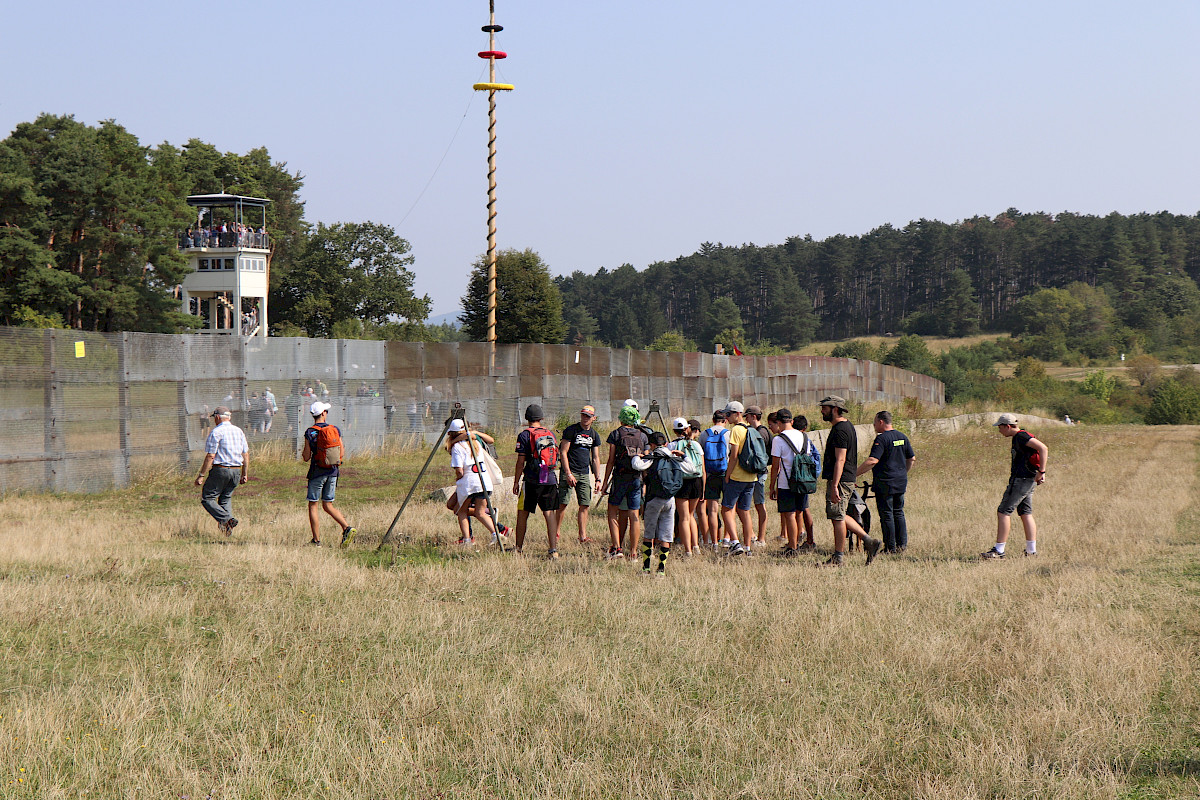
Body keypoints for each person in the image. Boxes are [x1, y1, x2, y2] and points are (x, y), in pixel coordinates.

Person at [816, 395, 883, 567]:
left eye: (825, 408)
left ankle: (838, 558)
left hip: (840, 479)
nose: (822, 411)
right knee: (839, 515)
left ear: (835, 409)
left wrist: (835, 485)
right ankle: (868, 541)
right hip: (843, 478)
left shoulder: (841, 430)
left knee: (838, 517)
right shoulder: (844, 427)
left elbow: (841, 459)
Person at [981, 413, 1048, 559]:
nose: (999, 431)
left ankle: (999, 551)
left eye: (1000, 427)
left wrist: (1042, 471)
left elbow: (1043, 448)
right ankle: (1031, 551)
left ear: (1008, 426)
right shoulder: (1020, 437)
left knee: (1003, 511)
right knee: (1025, 513)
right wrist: (1039, 472)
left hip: (1022, 480)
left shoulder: (1021, 437)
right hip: (1028, 479)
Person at [855, 411, 916, 554]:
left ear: (881, 422)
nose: (874, 426)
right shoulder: (902, 436)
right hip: (900, 481)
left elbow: (872, 461)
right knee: (898, 513)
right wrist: (902, 473)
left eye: (875, 423)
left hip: (885, 483)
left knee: (887, 514)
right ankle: (901, 545)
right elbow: (911, 458)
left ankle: (890, 548)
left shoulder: (881, 439)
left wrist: (854, 474)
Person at [301, 401, 356, 548]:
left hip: (317, 472)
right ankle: (347, 528)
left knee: (313, 505)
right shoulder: (335, 430)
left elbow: (306, 457)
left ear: (314, 415)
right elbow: (341, 452)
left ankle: (316, 541)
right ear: (323, 413)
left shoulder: (309, 432)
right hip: (333, 472)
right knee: (328, 504)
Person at [512, 404, 562, 558]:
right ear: (541, 418)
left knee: (522, 513)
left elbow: (521, 462)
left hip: (532, 479)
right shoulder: (550, 433)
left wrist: (516, 482)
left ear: (526, 418)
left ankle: (518, 548)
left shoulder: (524, 435)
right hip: (550, 478)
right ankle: (553, 550)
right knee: (549, 513)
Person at [630, 431, 683, 576]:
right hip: (670, 500)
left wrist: (638, 456)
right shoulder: (674, 458)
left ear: (652, 445)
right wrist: (682, 455)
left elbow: (636, 465)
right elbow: (690, 467)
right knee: (666, 536)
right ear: (665, 443)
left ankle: (646, 569)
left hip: (654, 499)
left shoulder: (652, 458)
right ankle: (661, 570)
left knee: (649, 534)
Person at [601, 405, 650, 560]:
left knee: (612, 512)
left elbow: (610, 461)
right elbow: (647, 460)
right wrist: (645, 482)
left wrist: (604, 484)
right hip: (636, 479)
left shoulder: (616, 434)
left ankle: (617, 548)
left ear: (621, 419)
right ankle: (634, 552)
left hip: (620, 477)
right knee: (634, 514)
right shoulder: (643, 436)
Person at [195, 406, 248, 536]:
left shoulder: (216, 432)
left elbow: (211, 456)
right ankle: (227, 530)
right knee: (225, 498)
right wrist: (244, 473)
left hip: (221, 469)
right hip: (236, 470)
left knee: (207, 498)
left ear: (217, 417)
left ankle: (227, 520)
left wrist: (201, 475)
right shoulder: (238, 431)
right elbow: (245, 454)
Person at [721, 401, 766, 556]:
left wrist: (728, 474)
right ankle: (747, 547)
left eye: (728, 414)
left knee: (726, 509)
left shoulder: (736, 431)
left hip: (737, 477)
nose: (726, 417)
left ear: (738, 414)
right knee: (744, 511)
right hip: (751, 477)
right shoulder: (751, 430)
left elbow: (733, 456)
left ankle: (735, 542)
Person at [447, 419, 499, 547]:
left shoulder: (457, 447)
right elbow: (490, 440)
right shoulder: (475, 443)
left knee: (461, 511)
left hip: (469, 483)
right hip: (483, 480)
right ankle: (496, 534)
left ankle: (467, 540)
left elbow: (459, 470)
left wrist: (458, 479)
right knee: (480, 512)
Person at [768, 408, 812, 557]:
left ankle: (792, 547)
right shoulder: (804, 436)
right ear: (792, 421)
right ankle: (798, 541)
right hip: (803, 481)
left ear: (779, 422)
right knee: (799, 511)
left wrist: (772, 486)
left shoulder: (778, 439)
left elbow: (776, 466)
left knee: (789, 515)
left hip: (786, 482)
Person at [556, 405, 602, 545]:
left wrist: (598, 478)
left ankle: (582, 536)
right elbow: (563, 452)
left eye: (588, 416)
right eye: (583, 415)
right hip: (569, 472)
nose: (585, 418)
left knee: (585, 504)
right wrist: (568, 473)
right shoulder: (571, 430)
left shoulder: (594, 435)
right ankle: (555, 533)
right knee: (563, 502)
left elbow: (595, 458)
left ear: (593, 418)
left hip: (584, 473)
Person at [670, 417, 705, 556]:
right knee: (691, 515)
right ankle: (696, 546)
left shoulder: (672, 446)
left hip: (682, 481)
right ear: (687, 429)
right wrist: (703, 487)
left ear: (674, 431)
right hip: (696, 481)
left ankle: (687, 551)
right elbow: (702, 468)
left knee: (683, 517)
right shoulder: (696, 445)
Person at [699, 410, 730, 549]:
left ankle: (714, 542)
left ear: (713, 420)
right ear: (726, 420)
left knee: (712, 510)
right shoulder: (728, 433)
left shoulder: (705, 434)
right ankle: (728, 538)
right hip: (726, 473)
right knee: (729, 508)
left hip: (710, 474)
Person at [744, 405, 772, 547]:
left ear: (753, 416)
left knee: (760, 505)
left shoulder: (760, 433)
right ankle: (755, 535)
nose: (746, 420)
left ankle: (761, 538)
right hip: (758, 472)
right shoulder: (762, 431)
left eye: (747, 417)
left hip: (759, 473)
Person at [794, 414, 820, 551]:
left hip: (796, 478)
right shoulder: (807, 440)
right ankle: (804, 537)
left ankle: (806, 539)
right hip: (806, 478)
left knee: (801, 510)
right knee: (803, 508)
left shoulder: (793, 438)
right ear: (805, 428)